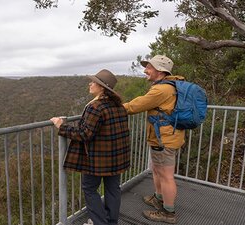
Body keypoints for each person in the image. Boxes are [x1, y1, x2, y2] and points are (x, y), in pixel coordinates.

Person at [50, 69, 130, 225]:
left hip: (98, 159)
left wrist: (61, 126)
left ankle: (100, 222)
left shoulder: (96, 107)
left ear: (102, 87)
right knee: (113, 189)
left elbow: (84, 134)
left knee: (89, 189)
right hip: (117, 157)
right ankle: (111, 221)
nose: (90, 83)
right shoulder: (119, 106)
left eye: (94, 82)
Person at [122, 55, 186, 224]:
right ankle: (159, 198)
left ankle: (168, 212)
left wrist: (116, 108)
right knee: (158, 170)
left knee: (166, 176)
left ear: (159, 70)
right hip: (165, 136)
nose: (145, 70)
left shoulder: (161, 89)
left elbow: (138, 105)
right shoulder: (168, 86)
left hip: (164, 139)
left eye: (149, 67)